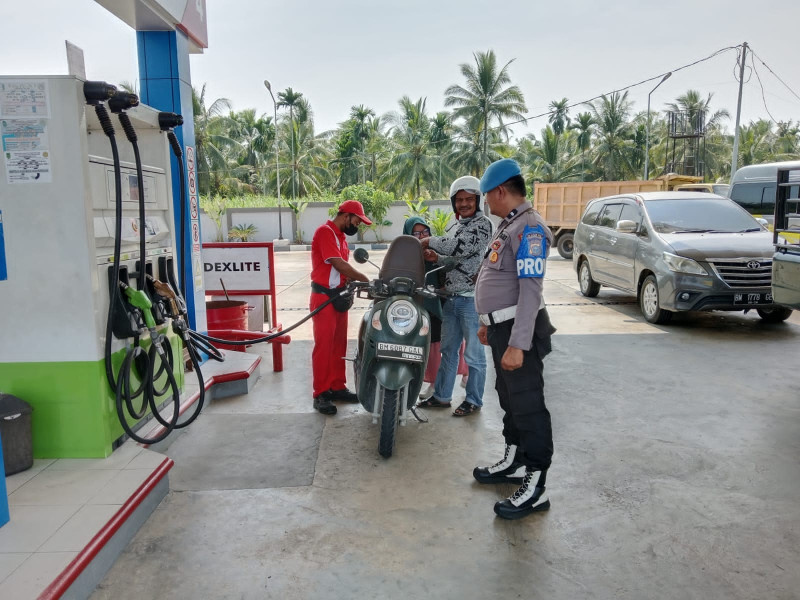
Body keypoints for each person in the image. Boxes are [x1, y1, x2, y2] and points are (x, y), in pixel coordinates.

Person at [473, 158, 557, 520]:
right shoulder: (509, 224)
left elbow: (530, 291)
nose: (485, 202)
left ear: (500, 191)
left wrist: (518, 344)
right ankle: (515, 461)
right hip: (500, 328)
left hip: (516, 332)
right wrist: (486, 323)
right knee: (508, 398)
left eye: (486, 195)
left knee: (528, 406)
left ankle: (536, 486)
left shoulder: (531, 229)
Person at [417, 176, 492, 417]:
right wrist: (436, 259)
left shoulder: (482, 224)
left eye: (469, 199)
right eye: (459, 200)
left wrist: (429, 240)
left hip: (471, 300)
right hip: (452, 298)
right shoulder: (460, 225)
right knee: (448, 351)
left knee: (474, 354)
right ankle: (441, 396)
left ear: (477, 201)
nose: (464, 204)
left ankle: (473, 400)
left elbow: (459, 247)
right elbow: (458, 259)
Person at [309, 200, 371, 415]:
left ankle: (336, 386)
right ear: (346, 216)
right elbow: (339, 264)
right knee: (324, 346)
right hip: (323, 297)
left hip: (338, 297)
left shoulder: (341, 238)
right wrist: (367, 281)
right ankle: (321, 393)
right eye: (357, 221)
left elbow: (342, 272)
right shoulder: (325, 232)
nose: (358, 225)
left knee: (338, 345)